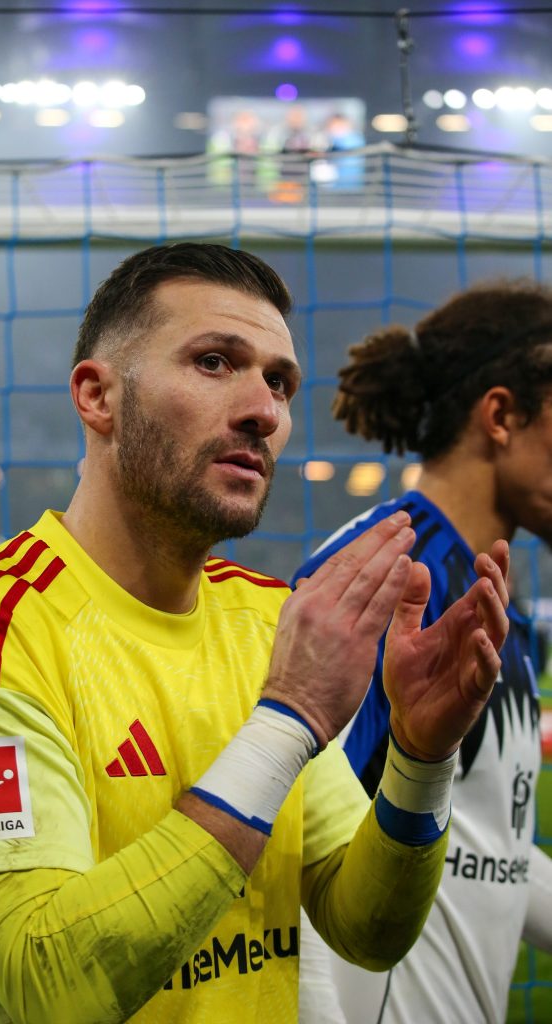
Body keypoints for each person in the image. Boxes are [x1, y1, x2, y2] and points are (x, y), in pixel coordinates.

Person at [0, 244, 509, 1024]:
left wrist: (420, 757)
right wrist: (287, 719)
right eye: (213, 362)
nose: (263, 411)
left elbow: (367, 930)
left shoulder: (268, 620)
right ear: (97, 396)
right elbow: (47, 986)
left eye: (279, 382)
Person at [294, 278, 552, 1024]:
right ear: (500, 416)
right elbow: (295, 833)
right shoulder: (384, 576)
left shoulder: (489, 596)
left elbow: (489, 853)